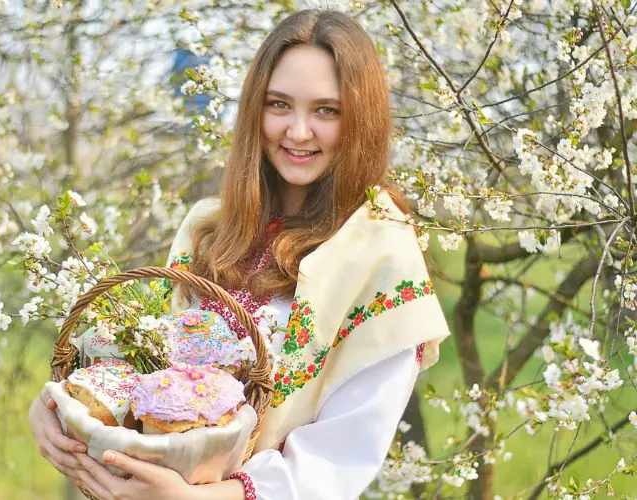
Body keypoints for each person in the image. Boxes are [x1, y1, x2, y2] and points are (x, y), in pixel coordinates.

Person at [29, 8, 450, 500]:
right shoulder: (208, 226)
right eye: (279, 104)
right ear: (255, 108)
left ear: (362, 119)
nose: (297, 131)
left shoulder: (383, 256)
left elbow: (339, 457)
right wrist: (61, 406)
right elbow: (150, 371)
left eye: (326, 110)